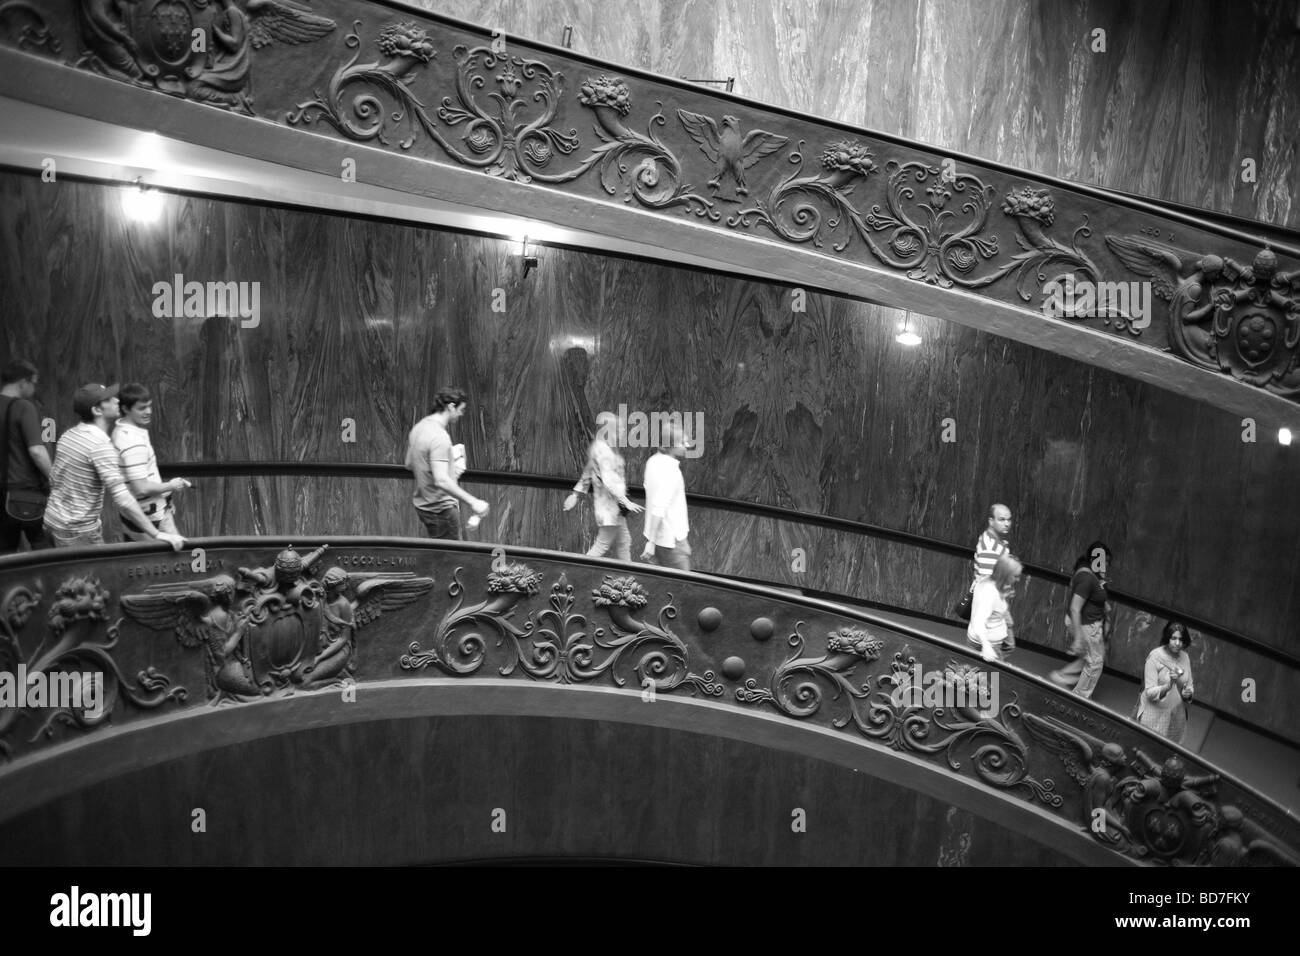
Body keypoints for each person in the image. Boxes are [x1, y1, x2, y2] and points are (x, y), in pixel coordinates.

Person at [43, 383, 185, 550]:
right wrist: (156, 534)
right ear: (97, 410)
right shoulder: (100, 445)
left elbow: (53, 478)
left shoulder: (69, 435)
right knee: (94, 576)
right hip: (78, 531)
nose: (117, 400)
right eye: (109, 399)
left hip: (52, 521)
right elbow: (123, 499)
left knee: (67, 575)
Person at [404, 387, 489, 540]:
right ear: (451, 407)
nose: (461, 414)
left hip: (424, 507)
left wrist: (450, 466)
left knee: (442, 557)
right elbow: (441, 480)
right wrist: (474, 502)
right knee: (451, 561)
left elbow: (409, 464)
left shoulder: (419, 428)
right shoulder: (440, 437)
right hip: (441, 509)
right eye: (461, 410)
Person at [112, 383, 192, 542]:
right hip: (152, 517)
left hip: (135, 515)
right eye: (142, 408)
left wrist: (166, 497)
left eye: (149, 406)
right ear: (126, 409)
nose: (148, 411)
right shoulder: (133, 442)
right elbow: (141, 488)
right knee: (174, 559)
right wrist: (171, 485)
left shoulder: (120, 430)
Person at [564, 411, 643, 560]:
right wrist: (625, 501)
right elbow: (609, 481)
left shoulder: (602, 448)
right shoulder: (604, 453)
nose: (624, 431)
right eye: (620, 428)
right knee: (602, 545)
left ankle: (627, 575)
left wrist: (575, 494)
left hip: (613, 508)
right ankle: (578, 572)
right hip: (610, 508)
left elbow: (587, 473)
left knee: (624, 542)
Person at [0, 359, 52, 554]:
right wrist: (55, 479)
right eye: (34, 383)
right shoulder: (23, 407)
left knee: (6, 554)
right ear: (23, 382)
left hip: (1, 494)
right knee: (43, 548)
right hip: (25, 493)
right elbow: (37, 451)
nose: (34, 388)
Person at [1050, 539, 1113, 698]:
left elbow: (1093, 595)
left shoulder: (1093, 575)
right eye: (1104, 562)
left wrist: (1103, 604)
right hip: (1086, 625)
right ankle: (1080, 698)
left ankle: (1062, 677)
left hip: (1091, 623)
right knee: (1095, 663)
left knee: (1090, 657)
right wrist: (1078, 638)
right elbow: (1075, 608)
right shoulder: (1087, 577)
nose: (1106, 566)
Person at [640, 423, 694, 571]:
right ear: (669, 445)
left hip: (663, 538)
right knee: (683, 587)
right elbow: (659, 507)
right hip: (670, 541)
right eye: (682, 442)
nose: (687, 445)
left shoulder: (652, 462)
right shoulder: (671, 471)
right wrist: (651, 543)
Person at [1134, 621, 1195, 744]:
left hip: (1176, 715)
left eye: (1181, 639)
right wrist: (1168, 685)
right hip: (1154, 715)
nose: (1177, 643)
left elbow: (1189, 685)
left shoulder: (1185, 657)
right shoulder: (1155, 656)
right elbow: (1150, 692)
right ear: (1167, 638)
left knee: (1170, 753)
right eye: (1173, 638)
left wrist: (1188, 694)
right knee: (1148, 747)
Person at [956, 504, 1012, 625]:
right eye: (1002, 519)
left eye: (1009, 519)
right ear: (991, 521)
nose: (1007, 523)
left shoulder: (1001, 542)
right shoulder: (989, 545)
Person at [967, 552, 1021, 662]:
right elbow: (978, 622)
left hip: (989, 641)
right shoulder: (991, 593)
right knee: (993, 677)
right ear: (1005, 575)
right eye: (1015, 576)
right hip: (988, 643)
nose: (1018, 579)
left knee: (979, 674)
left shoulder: (988, 581)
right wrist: (986, 646)